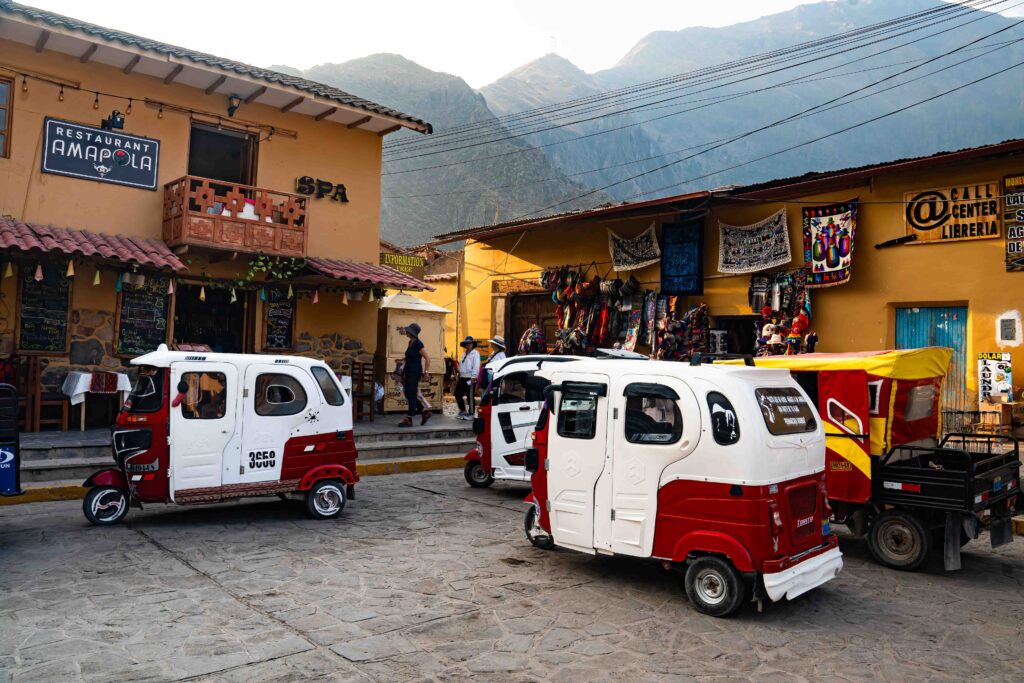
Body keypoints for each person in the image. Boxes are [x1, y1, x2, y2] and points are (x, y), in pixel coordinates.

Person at [399, 322, 431, 427]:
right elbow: (411, 356)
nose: (406, 332)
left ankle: (409, 418)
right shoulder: (410, 342)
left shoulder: (418, 344)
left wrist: (426, 372)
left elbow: (427, 358)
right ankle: (424, 412)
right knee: (408, 393)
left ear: (412, 333)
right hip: (408, 370)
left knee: (411, 393)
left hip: (415, 372)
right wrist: (403, 359)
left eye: (408, 331)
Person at [455, 336, 480, 420]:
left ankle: (472, 413)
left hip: (470, 377)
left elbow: (476, 366)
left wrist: (473, 377)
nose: (468, 345)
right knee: (457, 393)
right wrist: (459, 375)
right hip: (462, 377)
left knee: (470, 396)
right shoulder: (464, 353)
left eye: (470, 343)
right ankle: (463, 410)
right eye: (467, 343)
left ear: (473, 344)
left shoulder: (475, 353)